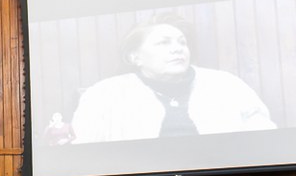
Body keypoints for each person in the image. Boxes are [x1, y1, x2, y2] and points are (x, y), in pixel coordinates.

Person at [69, 13, 276, 144]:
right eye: (163, 43)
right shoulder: (104, 94)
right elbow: (86, 151)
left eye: (182, 42)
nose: (177, 49)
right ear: (135, 57)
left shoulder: (227, 85)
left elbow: (264, 139)